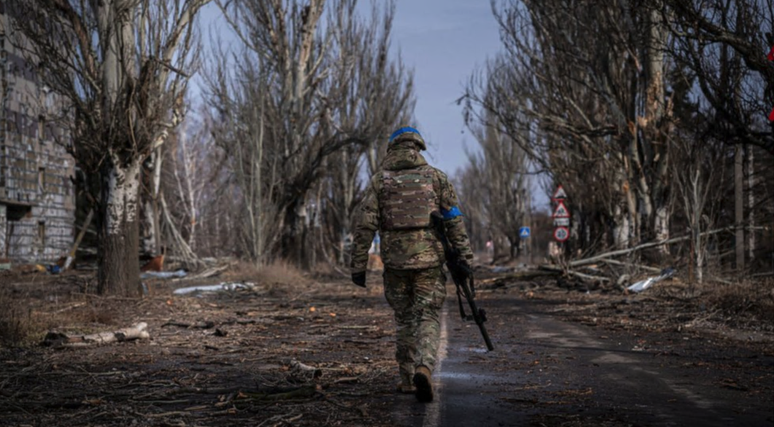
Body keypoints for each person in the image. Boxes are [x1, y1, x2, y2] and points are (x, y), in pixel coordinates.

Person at [349, 126, 474, 402]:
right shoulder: (436, 179)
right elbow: (454, 220)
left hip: (395, 264)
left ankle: (407, 379)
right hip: (429, 262)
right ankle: (424, 367)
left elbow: (365, 225)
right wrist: (465, 258)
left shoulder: (379, 182)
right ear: (418, 148)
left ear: (392, 149)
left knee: (404, 319)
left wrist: (358, 265)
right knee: (428, 316)